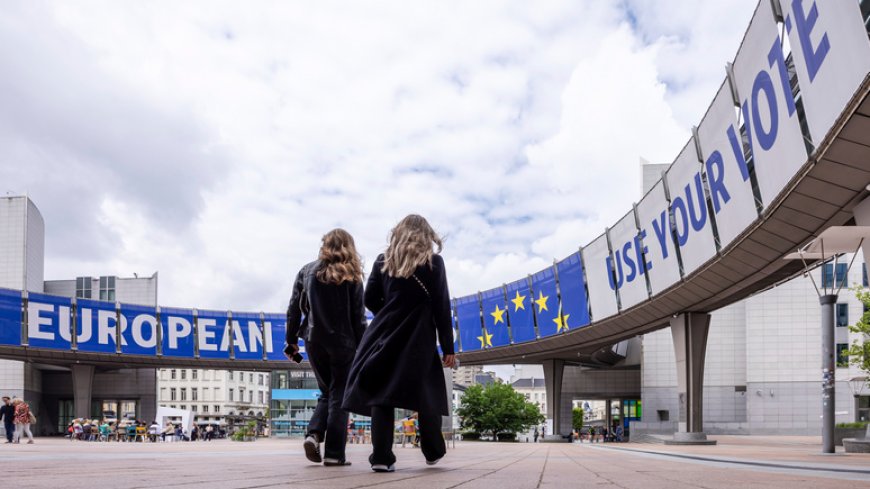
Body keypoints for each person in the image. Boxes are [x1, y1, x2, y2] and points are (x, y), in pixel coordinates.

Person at [343, 215, 456, 473]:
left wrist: (392, 310)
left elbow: (370, 298)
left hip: (384, 334)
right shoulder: (434, 263)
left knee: (381, 396)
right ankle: (433, 451)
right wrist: (447, 347)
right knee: (426, 392)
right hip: (419, 337)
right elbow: (442, 305)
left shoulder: (383, 261)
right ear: (427, 235)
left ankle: (381, 457)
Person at [287, 229, 366, 467]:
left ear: (324, 245)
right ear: (348, 247)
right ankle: (334, 454)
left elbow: (293, 308)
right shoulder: (352, 275)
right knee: (340, 396)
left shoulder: (306, 270)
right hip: (344, 344)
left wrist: (291, 341)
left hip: (313, 339)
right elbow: (358, 317)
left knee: (327, 392)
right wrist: (363, 349)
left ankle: (313, 434)